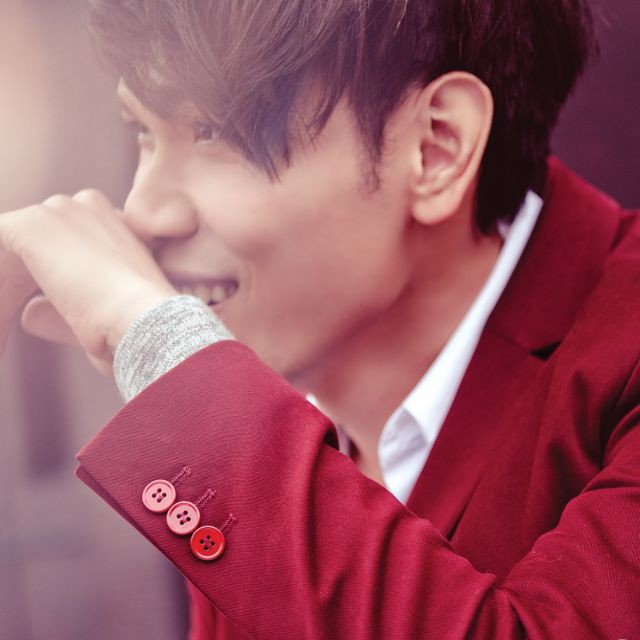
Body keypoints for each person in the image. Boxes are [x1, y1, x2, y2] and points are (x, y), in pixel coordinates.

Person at [1, 0, 639, 637]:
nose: (144, 212)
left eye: (214, 132)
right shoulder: (258, 404)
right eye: (142, 131)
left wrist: (160, 347)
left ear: (436, 147)